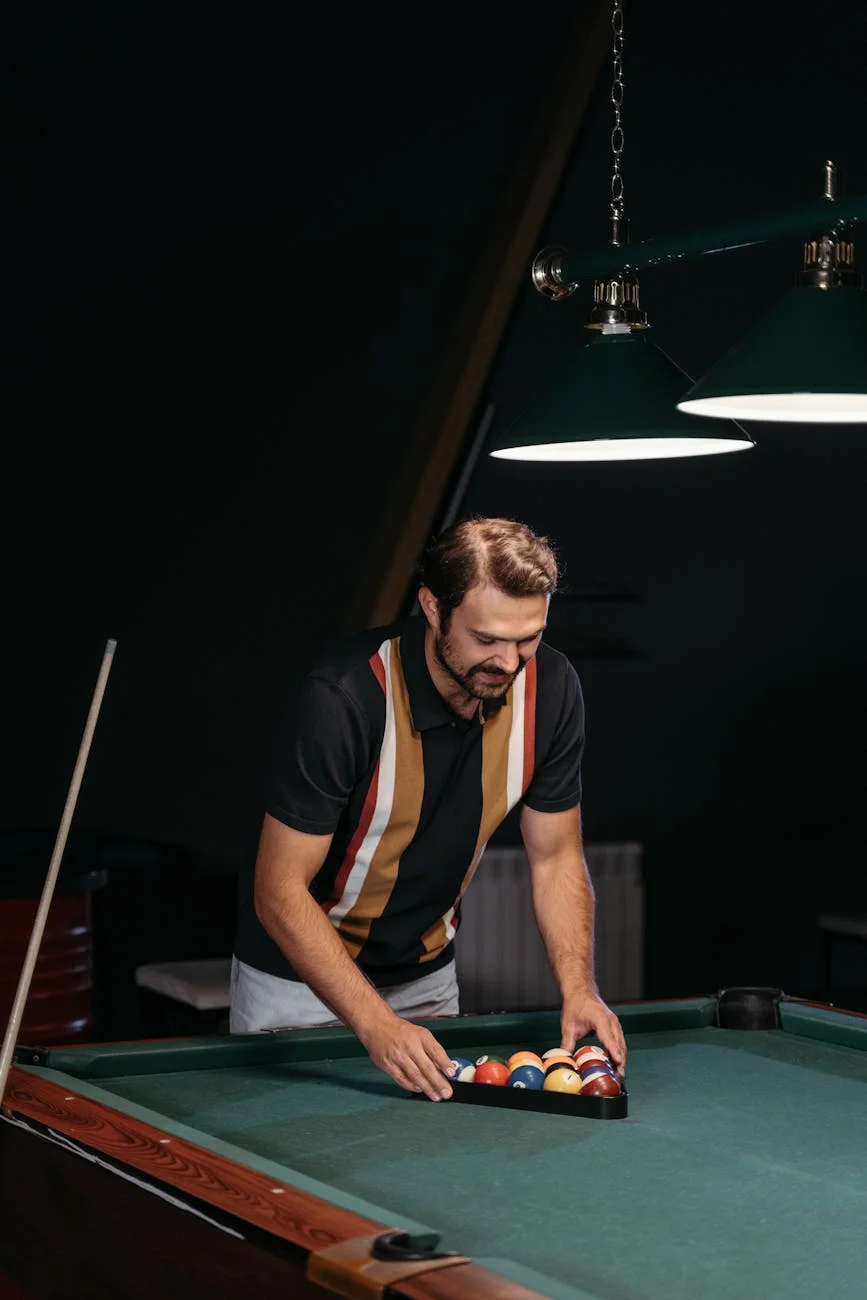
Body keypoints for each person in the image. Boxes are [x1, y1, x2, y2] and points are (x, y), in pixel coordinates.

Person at [230, 516, 626, 1100]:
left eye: (527, 638)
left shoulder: (554, 689)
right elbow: (278, 889)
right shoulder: (344, 698)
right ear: (432, 608)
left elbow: (556, 858)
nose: (509, 663)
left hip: (426, 981)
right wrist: (374, 1023)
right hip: (298, 987)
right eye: (486, 639)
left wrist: (579, 987)